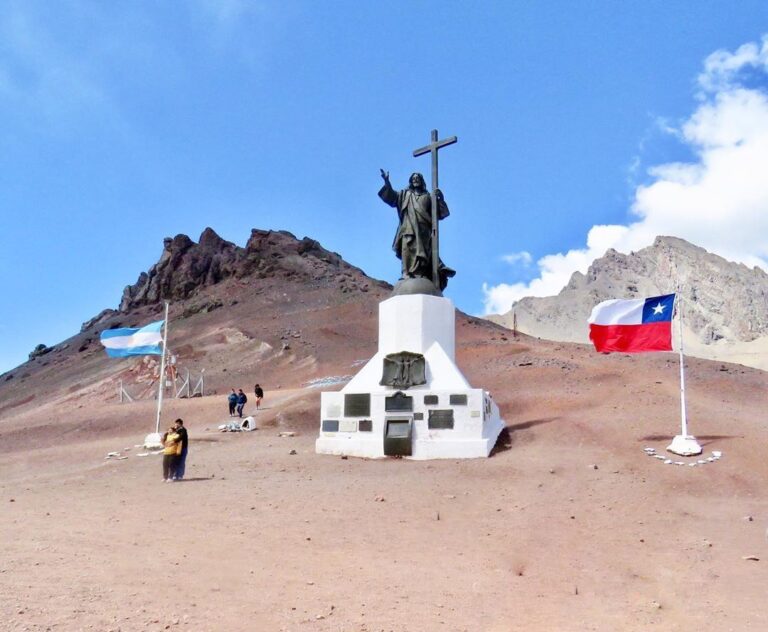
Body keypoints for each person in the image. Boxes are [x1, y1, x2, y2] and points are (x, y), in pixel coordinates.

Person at [378, 169, 455, 290]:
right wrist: (387, 182)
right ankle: (406, 274)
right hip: (408, 228)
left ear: (421, 181)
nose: (415, 180)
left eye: (417, 178)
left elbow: (440, 214)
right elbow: (392, 197)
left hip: (424, 231)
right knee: (407, 250)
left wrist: (440, 199)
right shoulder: (405, 195)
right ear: (411, 181)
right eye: (413, 178)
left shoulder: (428, 197)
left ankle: (422, 274)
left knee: (423, 254)